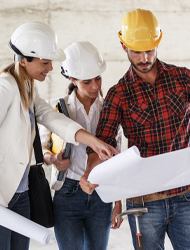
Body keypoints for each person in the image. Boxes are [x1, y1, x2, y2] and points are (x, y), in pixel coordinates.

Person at [0, 22, 118, 250]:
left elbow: (56, 121)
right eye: (45, 62)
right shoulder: (6, 86)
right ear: (24, 59)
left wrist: (95, 142)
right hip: (3, 194)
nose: (51, 68)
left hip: (20, 194)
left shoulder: (28, 89)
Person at [79, 8, 190, 250]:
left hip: (186, 196)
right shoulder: (119, 94)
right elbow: (102, 142)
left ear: (158, 43)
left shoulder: (183, 79)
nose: (144, 58)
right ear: (123, 46)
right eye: (137, 52)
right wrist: (90, 174)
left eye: (149, 50)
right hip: (144, 201)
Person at [39, 41, 123, 250]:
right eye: (87, 82)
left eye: (98, 79)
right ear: (72, 79)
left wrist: (118, 203)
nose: (95, 86)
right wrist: (54, 160)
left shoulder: (109, 112)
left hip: (101, 194)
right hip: (67, 194)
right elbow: (43, 150)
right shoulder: (55, 109)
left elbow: (118, 160)